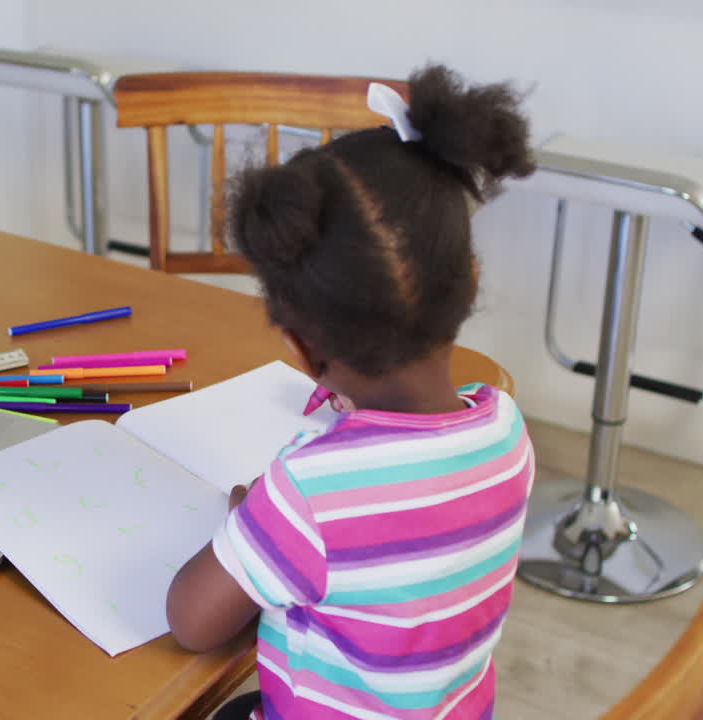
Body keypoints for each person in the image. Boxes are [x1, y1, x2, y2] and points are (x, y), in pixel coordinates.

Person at [166, 64, 538, 719]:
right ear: (470, 281)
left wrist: (248, 525)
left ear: (301, 348)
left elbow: (191, 622)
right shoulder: (507, 428)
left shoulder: (307, 496)